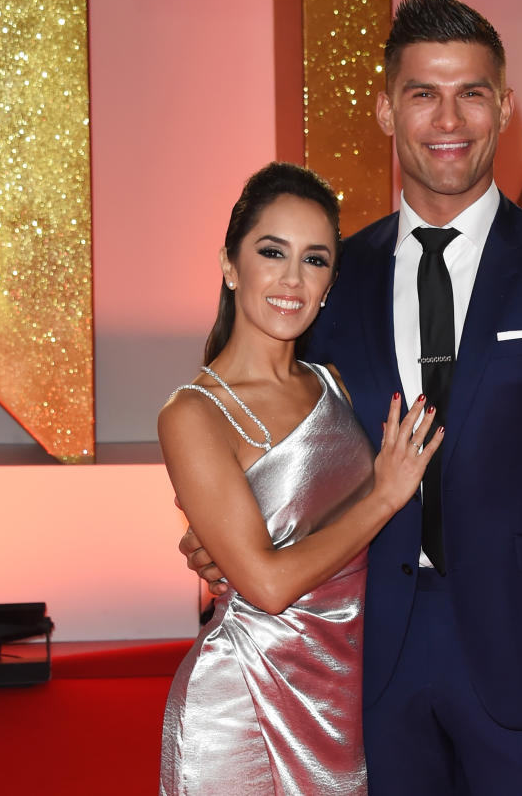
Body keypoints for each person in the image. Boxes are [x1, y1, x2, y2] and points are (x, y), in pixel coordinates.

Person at [182, 0, 522, 794]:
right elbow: (278, 432)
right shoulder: (332, 279)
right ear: (386, 110)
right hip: (366, 658)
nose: (450, 119)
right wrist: (225, 534)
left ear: (504, 107)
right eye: (423, 93)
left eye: (472, 92)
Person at [157, 161, 442, 795]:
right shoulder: (194, 413)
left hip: (342, 697)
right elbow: (265, 582)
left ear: (330, 281)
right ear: (231, 266)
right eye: (271, 252)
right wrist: (387, 494)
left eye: (314, 260)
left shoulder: (335, 385)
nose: (291, 279)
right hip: (241, 707)